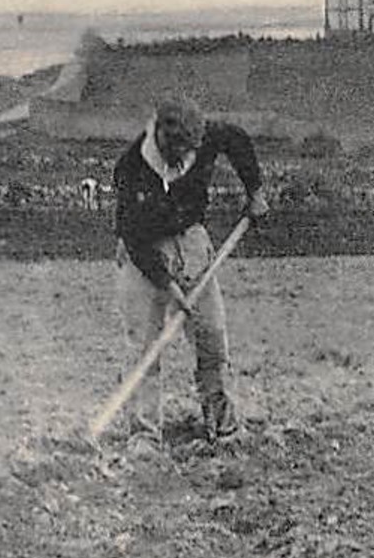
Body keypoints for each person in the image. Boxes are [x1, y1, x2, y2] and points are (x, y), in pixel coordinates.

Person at [113, 96, 269, 442]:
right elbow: (134, 238)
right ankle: (144, 435)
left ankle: (223, 425)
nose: (186, 158)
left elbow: (238, 140)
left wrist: (254, 190)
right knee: (145, 347)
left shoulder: (206, 136)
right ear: (165, 137)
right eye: (180, 149)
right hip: (144, 253)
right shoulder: (131, 167)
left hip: (192, 242)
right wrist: (170, 287)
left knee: (212, 335)